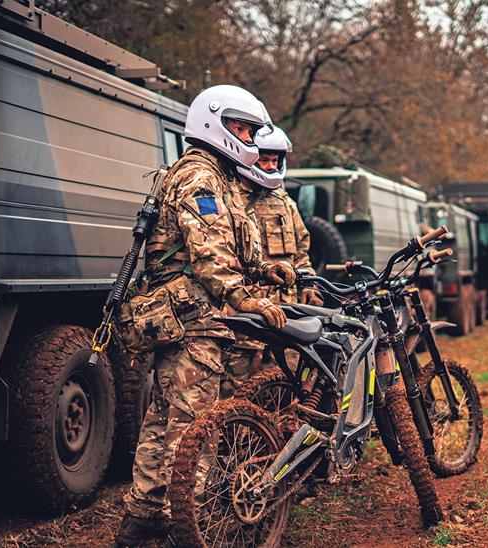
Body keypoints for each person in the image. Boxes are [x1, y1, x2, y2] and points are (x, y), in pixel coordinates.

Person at [115, 85, 297, 546]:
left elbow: (227, 244)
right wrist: (244, 297)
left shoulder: (216, 175)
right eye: (241, 128)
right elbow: (209, 253)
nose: (249, 137)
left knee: (165, 419)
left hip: (196, 319)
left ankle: (142, 518)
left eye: (251, 130)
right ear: (214, 123)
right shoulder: (199, 176)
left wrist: (263, 268)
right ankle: (185, 525)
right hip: (193, 321)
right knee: (193, 430)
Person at [219, 126, 323, 397]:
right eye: (264, 159)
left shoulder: (285, 203)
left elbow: (301, 250)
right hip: (246, 320)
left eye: (275, 160)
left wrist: (308, 283)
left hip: (286, 320)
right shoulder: (231, 201)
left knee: (285, 390)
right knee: (235, 393)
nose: (270, 165)